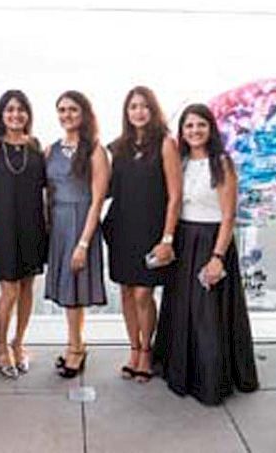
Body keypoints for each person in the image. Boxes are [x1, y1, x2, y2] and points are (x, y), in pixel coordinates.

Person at [152, 103, 259, 405]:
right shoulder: (181, 162)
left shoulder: (221, 163)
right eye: (189, 126)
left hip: (211, 241)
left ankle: (209, 382)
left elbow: (228, 216)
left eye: (200, 125)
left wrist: (217, 258)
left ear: (210, 128)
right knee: (181, 309)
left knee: (207, 316)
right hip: (184, 241)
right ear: (181, 132)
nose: (195, 131)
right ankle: (180, 373)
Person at [103, 86, 182, 383]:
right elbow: (102, 185)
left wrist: (167, 238)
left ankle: (147, 351)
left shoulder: (165, 143)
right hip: (120, 228)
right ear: (126, 112)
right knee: (125, 291)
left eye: (144, 106)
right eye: (133, 106)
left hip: (151, 231)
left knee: (143, 293)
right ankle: (133, 349)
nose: (139, 111)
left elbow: (175, 196)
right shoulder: (117, 147)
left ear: (153, 110)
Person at [0, 90, 46, 379]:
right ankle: (1, 346)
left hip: (33, 226)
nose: (16, 115)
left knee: (28, 288)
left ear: (28, 114)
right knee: (10, 290)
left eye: (21, 109)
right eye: (10, 110)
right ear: (2, 114)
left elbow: (45, 190)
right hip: (1, 228)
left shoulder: (36, 146)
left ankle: (19, 343)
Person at [45, 90, 109, 378]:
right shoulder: (51, 150)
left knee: (74, 288)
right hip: (57, 223)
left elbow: (98, 199)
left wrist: (83, 242)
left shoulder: (95, 150)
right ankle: (76, 342)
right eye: (62, 109)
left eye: (72, 109)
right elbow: (46, 193)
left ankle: (76, 348)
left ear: (84, 113)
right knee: (66, 289)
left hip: (82, 221)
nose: (66, 115)